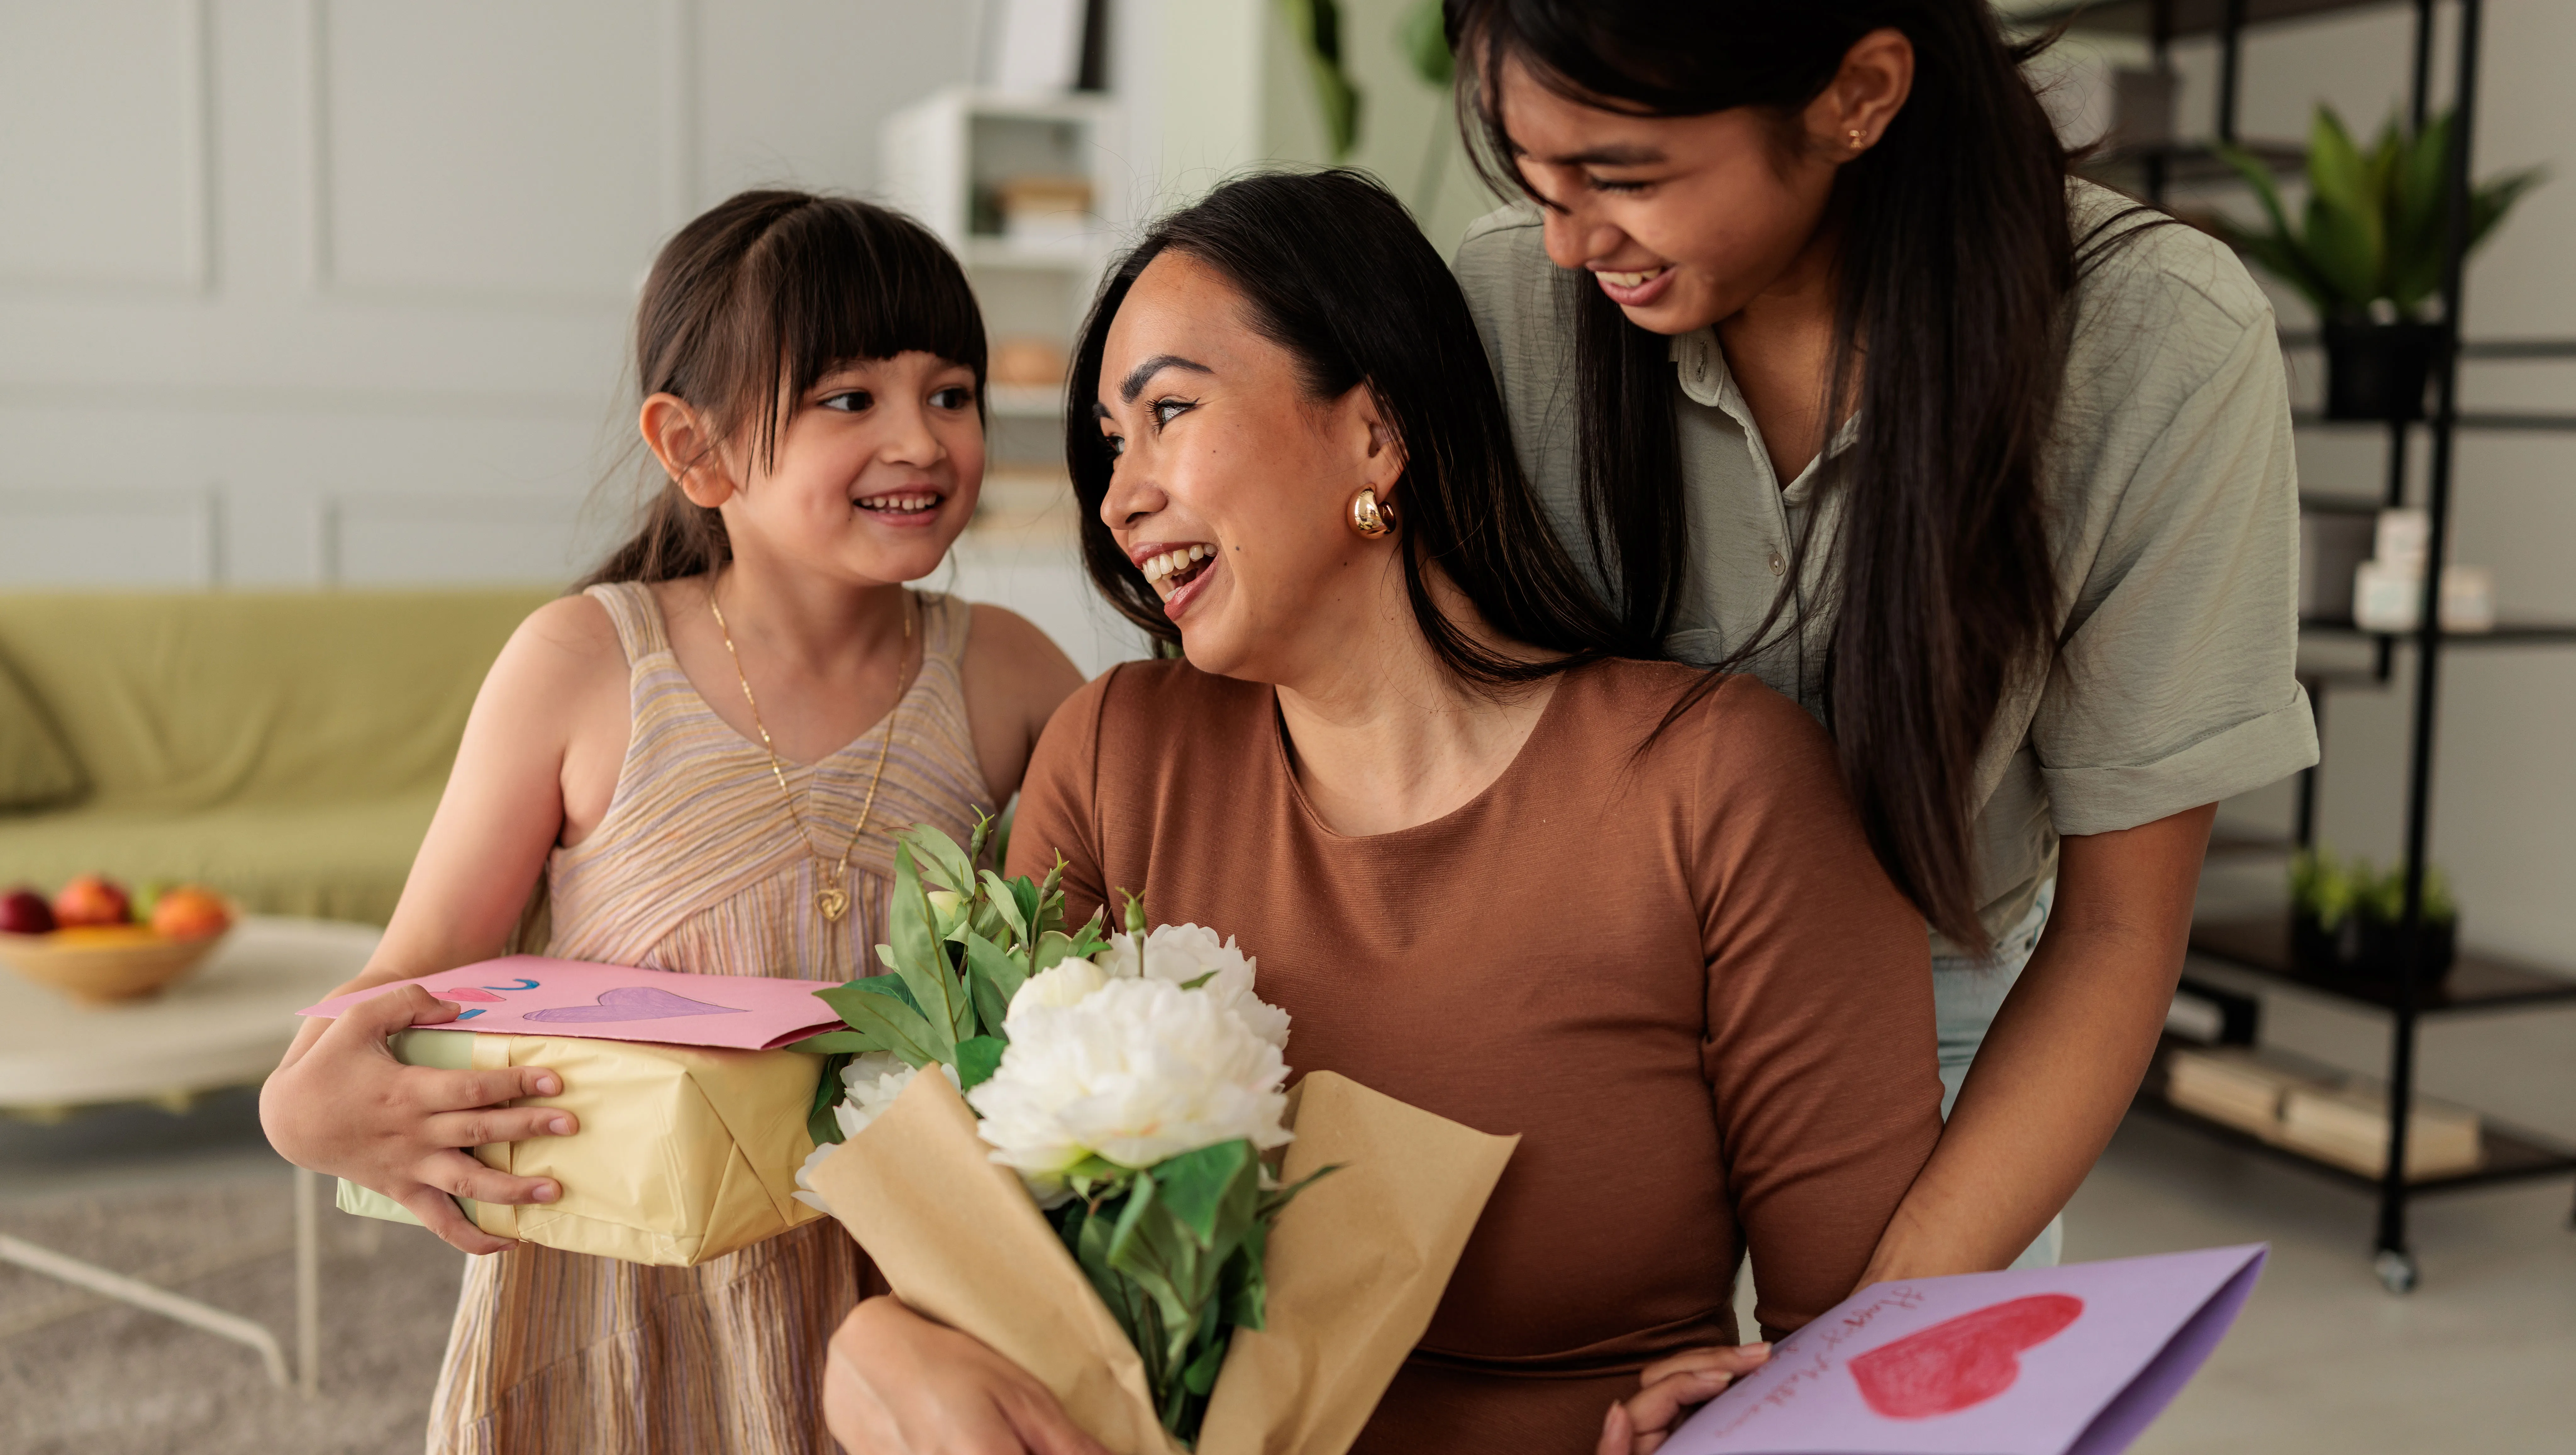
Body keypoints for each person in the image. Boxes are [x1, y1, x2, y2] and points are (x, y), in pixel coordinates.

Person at [821, 170, 1943, 1455]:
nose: (1119, 497)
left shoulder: (1717, 785)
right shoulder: (1116, 756)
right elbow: (974, 1240)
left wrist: (1739, 1434)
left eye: (1167, 412)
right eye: (1108, 448)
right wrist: (878, 1341)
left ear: (1375, 430)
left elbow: (1867, 1351)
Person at [1445, 0, 2312, 1311]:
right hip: (1567, 982)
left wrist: (1857, 1339)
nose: (1569, 241)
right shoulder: (1507, 300)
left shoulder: (2155, 347)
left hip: (1936, 1000)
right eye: (1534, 173)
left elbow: (2116, 928)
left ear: (1858, 92)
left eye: (1623, 177)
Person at [258, 190, 1084, 1454]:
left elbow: (1108, 942)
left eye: (952, 392)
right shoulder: (585, 663)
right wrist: (306, 1111)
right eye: (849, 399)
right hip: (617, 1301)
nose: (921, 438)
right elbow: (400, 983)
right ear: (695, 451)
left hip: (900, 1295)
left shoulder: (1014, 674)